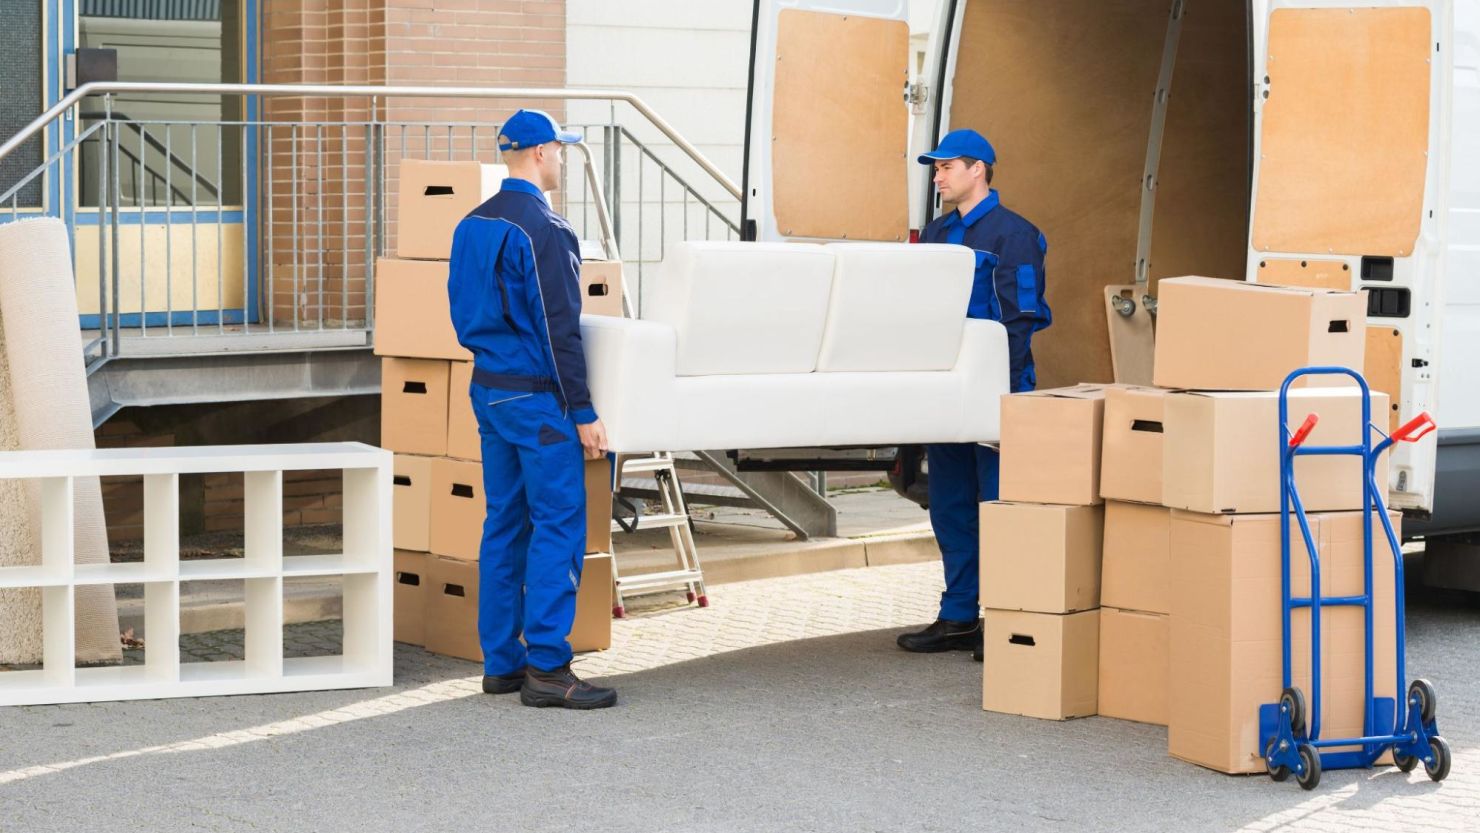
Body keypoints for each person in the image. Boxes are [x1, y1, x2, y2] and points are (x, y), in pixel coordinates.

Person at [446, 109, 617, 709]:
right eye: (561, 149)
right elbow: (559, 328)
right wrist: (584, 410)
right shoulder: (544, 228)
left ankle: (501, 662)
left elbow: (461, 311)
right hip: (538, 398)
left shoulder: (470, 224)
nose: (563, 159)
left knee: (505, 522)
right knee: (559, 523)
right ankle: (548, 665)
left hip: (488, 388)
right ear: (542, 152)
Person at [895, 128, 1052, 661]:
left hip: (997, 392)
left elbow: (1022, 318)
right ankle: (959, 616)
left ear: (978, 169)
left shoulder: (1015, 234)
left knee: (998, 506)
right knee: (951, 505)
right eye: (935, 168)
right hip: (946, 393)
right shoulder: (937, 233)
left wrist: (998, 395)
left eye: (945, 167)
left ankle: (1006, 619)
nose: (936, 176)